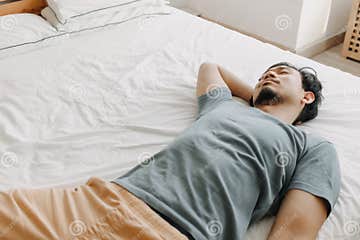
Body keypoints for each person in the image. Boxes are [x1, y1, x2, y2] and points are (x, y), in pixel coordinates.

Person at [0, 62, 341, 240]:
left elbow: (293, 232)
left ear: (306, 97)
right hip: (101, 200)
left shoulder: (312, 146)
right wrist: (255, 93)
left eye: (282, 74)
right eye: (266, 72)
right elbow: (211, 68)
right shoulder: (223, 108)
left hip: (178, 232)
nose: (270, 74)